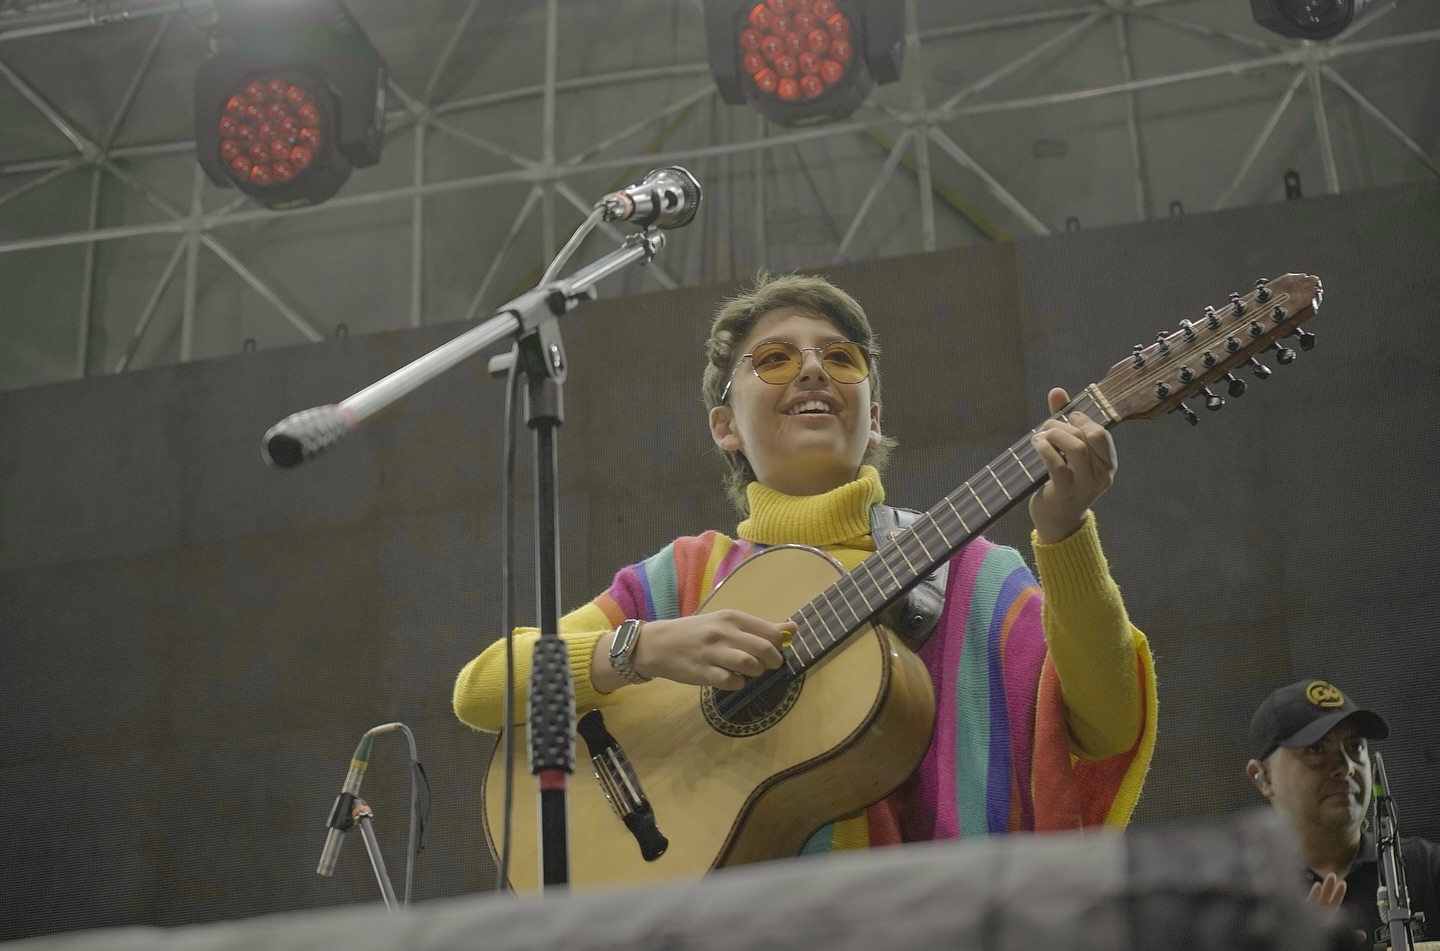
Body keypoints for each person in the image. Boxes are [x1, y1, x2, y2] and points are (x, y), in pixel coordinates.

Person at [454, 271, 1156, 865]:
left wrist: (1064, 533)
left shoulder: (973, 573)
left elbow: (1107, 726)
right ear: (725, 425)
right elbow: (480, 688)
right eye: (774, 359)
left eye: (841, 359)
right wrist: (642, 646)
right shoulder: (683, 580)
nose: (814, 369)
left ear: (872, 418)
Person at [1247, 678, 1440, 947]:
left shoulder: (1428, 869)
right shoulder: (1241, 903)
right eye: (1316, 748)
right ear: (1263, 777)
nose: (1346, 767)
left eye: (1355, 747)